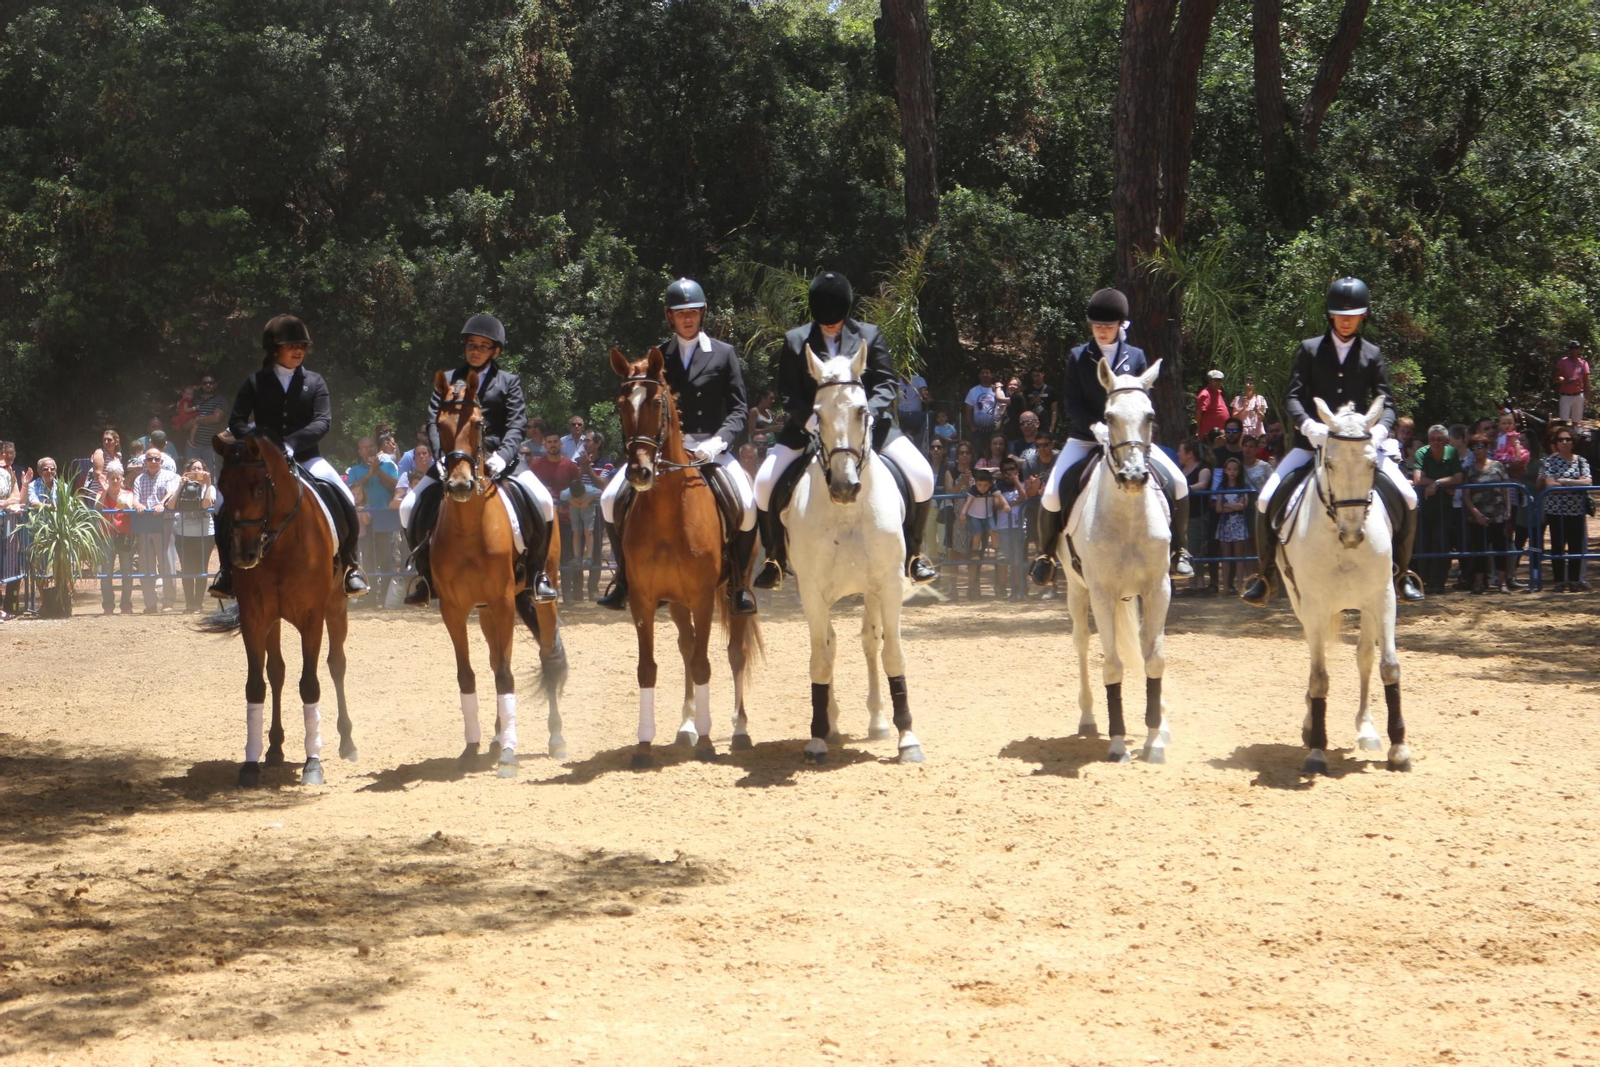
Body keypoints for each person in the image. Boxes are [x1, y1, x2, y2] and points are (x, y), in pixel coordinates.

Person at [1241, 277, 1422, 605]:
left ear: (1363, 315)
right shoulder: (1310, 349)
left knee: (1408, 497)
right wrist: (1308, 425)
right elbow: (1292, 397)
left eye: (1352, 314)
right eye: (1340, 313)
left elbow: (1388, 402)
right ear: (1330, 314)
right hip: (1311, 445)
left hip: (1360, 447)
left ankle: (1403, 573)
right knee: (1267, 499)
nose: (1346, 319)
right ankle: (1265, 575)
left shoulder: (1372, 354)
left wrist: (1380, 430)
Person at [752, 271, 938, 589]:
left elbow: (886, 384)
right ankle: (775, 559)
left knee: (922, 476)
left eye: (835, 317)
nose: (830, 323)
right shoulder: (796, 340)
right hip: (809, 428)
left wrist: (867, 415)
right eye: (824, 317)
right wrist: (810, 421)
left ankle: (914, 555)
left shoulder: (869, 335)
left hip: (870, 429)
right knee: (764, 484)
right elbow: (788, 393)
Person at [598, 278, 759, 614]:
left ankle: (740, 585)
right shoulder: (658, 356)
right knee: (610, 499)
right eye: (680, 313)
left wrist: (717, 444)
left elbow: (739, 409)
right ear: (670, 317)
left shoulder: (724, 353)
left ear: (702, 314)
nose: (687, 319)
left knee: (746, 504)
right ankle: (626, 578)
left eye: (693, 312)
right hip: (664, 451)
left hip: (712, 448)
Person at [1030, 288, 1192, 586]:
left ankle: (1180, 551)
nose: (1102, 332)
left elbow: (1142, 403)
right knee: (1052, 493)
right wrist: (1095, 427)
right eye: (1096, 326)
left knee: (1179, 482)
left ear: (1121, 325)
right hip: (1086, 438)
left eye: (1108, 326)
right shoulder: (1079, 357)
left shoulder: (1137, 357)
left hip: (1129, 440)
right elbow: (1072, 403)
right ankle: (1045, 555)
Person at [399, 313, 556, 604]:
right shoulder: (447, 380)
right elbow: (434, 422)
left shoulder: (508, 382)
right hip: (454, 459)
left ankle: (537, 575)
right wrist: (441, 457)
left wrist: (504, 455)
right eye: (472, 345)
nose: (476, 351)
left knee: (544, 502)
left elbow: (516, 424)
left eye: (483, 346)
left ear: (495, 350)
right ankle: (425, 577)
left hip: (500, 459)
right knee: (408, 506)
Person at [210, 315, 368, 599]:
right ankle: (226, 571)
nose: (299, 350)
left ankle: (351, 566)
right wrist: (261, 443)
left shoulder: (315, 382)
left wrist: (292, 444)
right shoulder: (255, 382)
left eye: (303, 346)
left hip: (306, 457)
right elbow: (237, 421)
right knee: (223, 503)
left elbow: (323, 422)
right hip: (260, 462)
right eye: (291, 345)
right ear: (273, 349)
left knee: (342, 493)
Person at [1539, 428, 1592, 592]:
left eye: (1568, 439)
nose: (1564, 442)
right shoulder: (1550, 461)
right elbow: (1549, 484)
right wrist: (1574, 483)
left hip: (1576, 510)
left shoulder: (1581, 461)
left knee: (1575, 546)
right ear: (1555, 443)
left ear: (1573, 442)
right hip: (1555, 511)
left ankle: (1575, 580)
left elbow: (1588, 482)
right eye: (1561, 440)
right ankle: (1559, 581)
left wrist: (1563, 481)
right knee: (1557, 546)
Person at [1411, 425, 1462, 593]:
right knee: (1423, 545)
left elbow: (1458, 477)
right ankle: (1423, 581)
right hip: (1424, 508)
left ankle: (1438, 582)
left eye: (1440, 439)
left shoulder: (1452, 453)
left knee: (1442, 544)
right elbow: (1418, 478)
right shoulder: (1422, 453)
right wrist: (1440, 482)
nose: (1436, 442)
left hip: (1445, 508)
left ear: (1446, 440)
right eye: (1433, 439)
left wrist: (1436, 484)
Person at [1461, 435, 1512, 594]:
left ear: (1487, 447)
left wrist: (1508, 509)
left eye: (1480, 446)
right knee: (1479, 550)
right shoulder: (1469, 470)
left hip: (1498, 515)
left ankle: (1502, 582)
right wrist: (1476, 514)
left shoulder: (1498, 466)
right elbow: (1466, 496)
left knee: (1500, 549)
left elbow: (1506, 489)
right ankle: (1478, 583)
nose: (1477, 450)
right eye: (1474, 448)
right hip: (1477, 518)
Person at [132, 449, 180, 612]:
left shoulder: (170, 476)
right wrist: (137, 504)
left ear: (162, 461)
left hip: (164, 522)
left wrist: (162, 504)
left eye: (156, 459)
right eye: (150, 459)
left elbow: (172, 491)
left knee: (166, 562)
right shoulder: (139, 479)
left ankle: (168, 601)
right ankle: (150, 603)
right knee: (145, 565)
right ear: (145, 461)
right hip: (144, 524)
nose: (153, 461)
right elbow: (135, 498)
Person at [172, 457, 217, 612]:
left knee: (201, 569)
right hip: (184, 534)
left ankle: (198, 603)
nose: (196, 471)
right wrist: (180, 486)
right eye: (193, 468)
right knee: (186, 569)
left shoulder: (210, 488)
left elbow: (206, 504)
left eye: (199, 468)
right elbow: (171, 505)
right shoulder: (181, 485)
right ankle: (189, 603)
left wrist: (208, 484)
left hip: (204, 535)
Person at [959, 465, 1008, 599]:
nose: (982, 488)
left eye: (985, 485)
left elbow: (1000, 496)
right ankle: (975, 552)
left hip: (988, 515)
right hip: (974, 516)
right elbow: (968, 503)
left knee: (993, 530)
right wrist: (963, 514)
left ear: (990, 484)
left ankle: (998, 550)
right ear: (976, 483)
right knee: (977, 534)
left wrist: (1006, 505)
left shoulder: (993, 489)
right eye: (980, 485)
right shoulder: (974, 490)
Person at [97, 463, 136, 615]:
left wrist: (125, 501)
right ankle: (108, 604)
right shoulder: (101, 493)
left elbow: (129, 507)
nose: (115, 481)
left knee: (127, 572)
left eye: (117, 478)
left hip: (125, 535)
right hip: (106, 537)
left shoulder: (128, 493)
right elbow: (97, 506)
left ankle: (126, 604)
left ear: (122, 479)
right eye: (112, 478)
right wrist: (105, 491)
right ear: (108, 479)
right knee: (106, 573)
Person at [1177, 438, 1211, 595]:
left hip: (1199, 514)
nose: (1178, 454)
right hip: (1185, 515)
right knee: (1189, 549)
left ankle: (1200, 584)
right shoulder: (1181, 470)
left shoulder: (1203, 469)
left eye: (1181, 451)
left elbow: (1203, 484)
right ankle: (1192, 585)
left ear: (1190, 454)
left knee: (1196, 550)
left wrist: (1186, 489)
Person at [1214, 457, 1251, 594]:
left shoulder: (1243, 487)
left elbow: (1243, 506)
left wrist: (1227, 506)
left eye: (1235, 469)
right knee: (1225, 556)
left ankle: (1241, 585)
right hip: (1225, 523)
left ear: (1239, 471)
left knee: (1239, 556)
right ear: (1225, 471)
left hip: (1239, 524)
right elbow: (1218, 508)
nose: (1232, 472)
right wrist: (1234, 506)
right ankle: (1225, 586)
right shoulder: (1221, 487)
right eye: (1229, 469)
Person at [994, 459, 1028, 600]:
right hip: (1003, 527)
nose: (1010, 472)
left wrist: (1016, 481)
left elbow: (1024, 497)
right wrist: (1014, 502)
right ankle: (1002, 588)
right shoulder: (997, 487)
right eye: (1006, 470)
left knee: (1017, 560)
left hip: (1019, 527)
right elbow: (997, 505)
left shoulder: (1023, 484)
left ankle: (1017, 589)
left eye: (1013, 468)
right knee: (1004, 561)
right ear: (1002, 472)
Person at [190, 374, 229, 474]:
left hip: (211, 445)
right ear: (201, 385)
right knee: (192, 473)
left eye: (210, 383)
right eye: (205, 383)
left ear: (215, 385)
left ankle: (209, 490)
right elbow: (187, 418)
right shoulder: (195, 400)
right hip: (193, 444)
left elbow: (216, 418)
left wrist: (198, 419)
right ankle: (193, 490)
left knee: (209, 473)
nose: (208, 385)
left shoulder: (221, 400)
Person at [964, 368, 1003, 448]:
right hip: (978, 429)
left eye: (987, 373)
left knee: (994, 452)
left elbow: (1003, 408)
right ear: (979, 375)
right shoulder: (973, 391)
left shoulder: (998, 391)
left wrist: (1000, 423)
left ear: (992, 375)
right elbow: (968, 409)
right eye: (983, 373)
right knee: (977, 452)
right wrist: (971, 426)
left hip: (993, 429)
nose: (985, 375)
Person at [1555, 341, 1590, 425]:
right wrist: (1567, 380)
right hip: (1566, 395)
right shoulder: (1563, 361)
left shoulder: (1583, 363)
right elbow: (1556, 377)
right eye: (1572, 348)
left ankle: (1575, 437)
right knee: (1564, 421)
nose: (1574, 350)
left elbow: (1587, 381)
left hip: (1578, 396)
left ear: (1580, 349)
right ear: (1569, 350)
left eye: (1576, 348)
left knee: (1576, 422)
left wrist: (1587, 397)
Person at [1024, 366, 1059, 436]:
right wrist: (1031, 402)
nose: (1036, 378)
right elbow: (1024, 409)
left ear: (1043, 374)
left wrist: (1052, 428)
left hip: (1046, 425)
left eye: (1038, 375)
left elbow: (1054, 411)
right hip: (1031, 426)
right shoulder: (1027, 390)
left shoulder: (1051, 390)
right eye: (1034, 376)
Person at [1196, 370, 1230, 438]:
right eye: (1216, 380)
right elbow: (1199, 413)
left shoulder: (1217, 393)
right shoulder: (1205, 394)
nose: (1218, 382)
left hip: (1221, 433)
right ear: (1210, 381)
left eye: (1220, 380)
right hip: (1210, 434)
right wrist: (1198, 429)